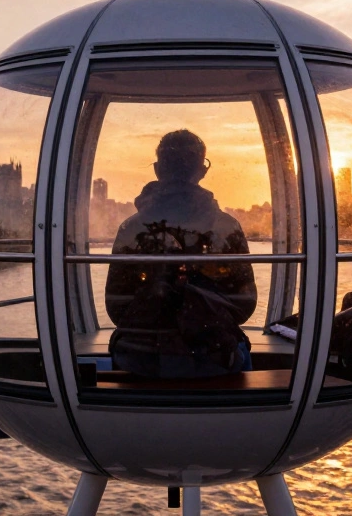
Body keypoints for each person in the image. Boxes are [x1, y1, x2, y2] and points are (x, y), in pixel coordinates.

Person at [105, 130, 256, 379]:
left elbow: (116, 308)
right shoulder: (227, 227)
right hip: (213, 355)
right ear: (202, 169)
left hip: (140, 356)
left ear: (157, 169)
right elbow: (244, 306)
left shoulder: (130, 228)